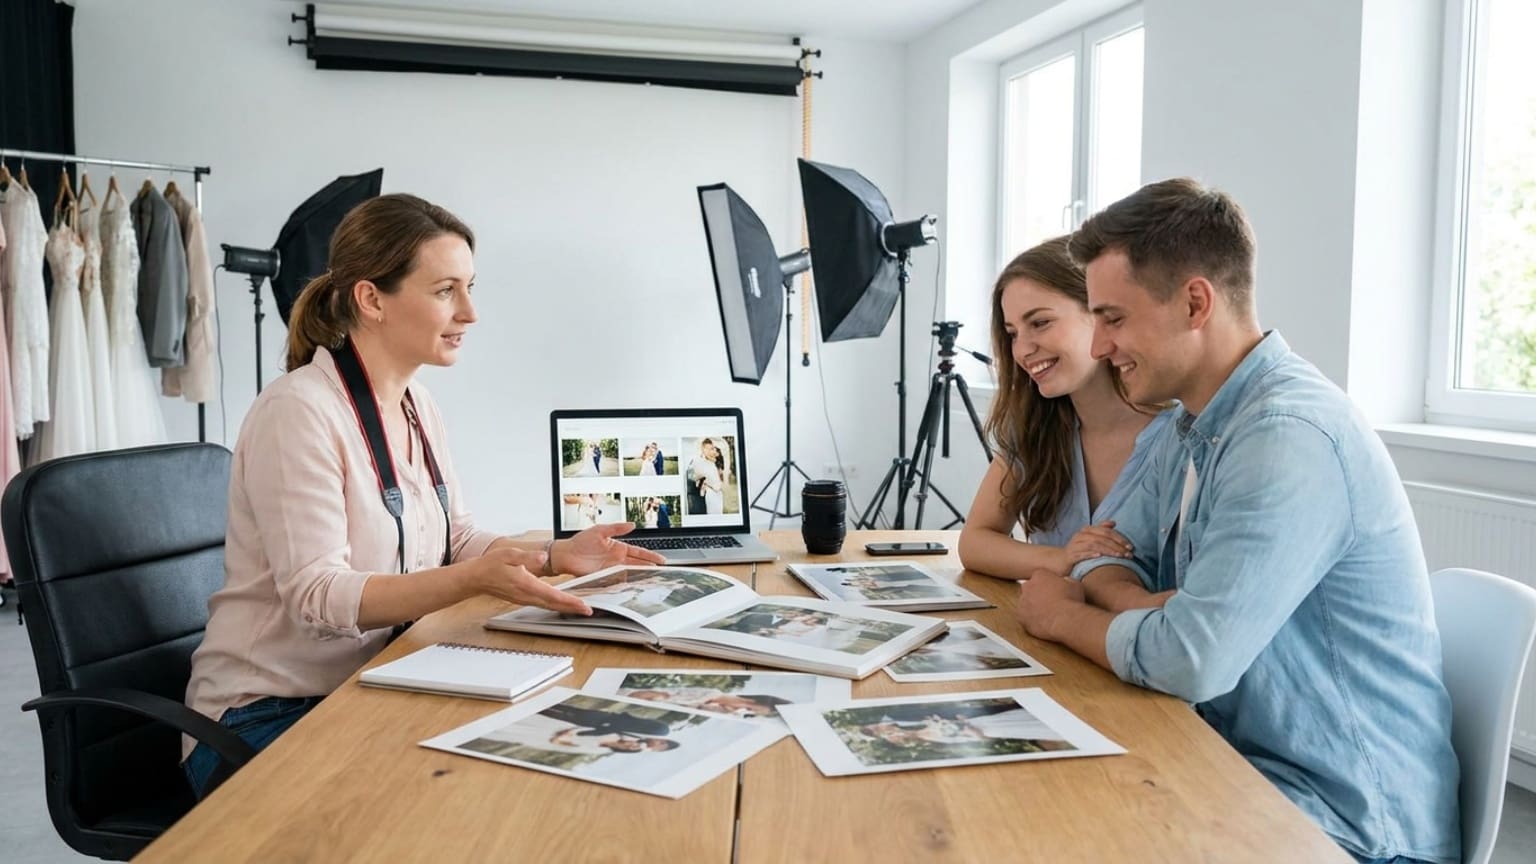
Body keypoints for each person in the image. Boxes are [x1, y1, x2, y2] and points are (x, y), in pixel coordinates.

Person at [1013, 178, 1460, 864]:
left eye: (1113, 317)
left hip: (1348, 823)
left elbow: (1190, 659)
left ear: (1195, 302)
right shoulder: (1187, 424)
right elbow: (1099, 554)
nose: (1099, 345)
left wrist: (1060, 618)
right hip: (1234, 758)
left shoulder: (1288, 436)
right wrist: (1143, 604)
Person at [181, 194, 666, 798]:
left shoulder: (417, 404)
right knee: (467, 794)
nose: (470, 312)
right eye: (445, 291)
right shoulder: (298, 411)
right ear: (371, 298)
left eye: (470, 288)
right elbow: (317, 595)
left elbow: (457, 536)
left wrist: (552, 555)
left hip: (374, 678)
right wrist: (474, 581)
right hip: (264, 716)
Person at [959, 236, 1172, 582]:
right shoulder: (1034, 425)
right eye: (1013, 333)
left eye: (1040, 323)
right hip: (1045, 632)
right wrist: (1063, 559)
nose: (1023, 350)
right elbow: (975, 542)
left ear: (1099, 315)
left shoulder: (1178, 434)